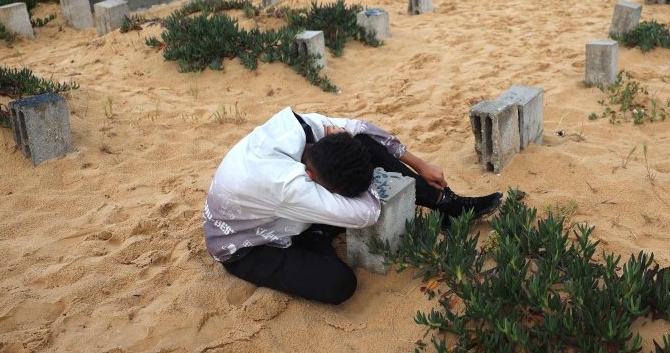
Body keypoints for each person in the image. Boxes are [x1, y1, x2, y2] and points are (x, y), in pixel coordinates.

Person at [204, 108, 503, 304]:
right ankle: (316, 237)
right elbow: (367, 212)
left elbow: (362, 128)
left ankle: (445, 203)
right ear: (310, 176)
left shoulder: (304, 127)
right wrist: (370, 176)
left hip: (274, 207)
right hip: (247, 246)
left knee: (360, 143)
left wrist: (419, 163)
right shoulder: (289, 185)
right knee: (339, 284)